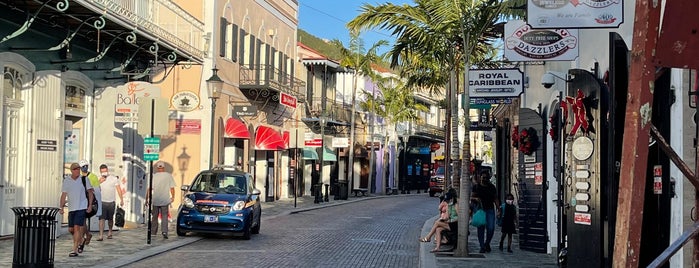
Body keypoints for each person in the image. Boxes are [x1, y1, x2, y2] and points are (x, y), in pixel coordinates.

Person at [58, 163, 95, 257]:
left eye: (79, 169)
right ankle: (81, 240)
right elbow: (63, 195)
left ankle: (74, 249)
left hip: (81, 206)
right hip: (71, 207)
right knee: (71, 229)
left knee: (77, 227)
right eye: (75, 169)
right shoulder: (67, 180)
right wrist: (61, 207)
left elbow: (90, 192)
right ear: (71, 170)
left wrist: (90, 205)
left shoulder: (84, 179)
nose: (77, 170)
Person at [146, 161, 176, 239]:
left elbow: (149, 189)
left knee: (154, 216)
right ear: (163, 167)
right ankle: (164, 231)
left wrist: (147, 198)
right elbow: (172, 188)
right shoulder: (168, 176)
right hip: (165, 199)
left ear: (157, 168)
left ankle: (153, 231)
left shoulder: (154, 176)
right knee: (164, 216)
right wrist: (173, 197)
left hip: (156, 199)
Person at [472, 171, 499, 253]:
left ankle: (487, 243)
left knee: (491, 228)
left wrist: (499, 209)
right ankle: (482, 246)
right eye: (483, 177)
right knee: (481, 228)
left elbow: (495, 199)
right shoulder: (476, 187)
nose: (485, 179)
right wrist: (476, 199)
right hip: (480, 209)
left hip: (490, 209)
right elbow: (471, 197)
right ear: (480, 177)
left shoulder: (492, 187)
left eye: (486, 178)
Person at [97, 164, 124, 241]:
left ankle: (110, 231)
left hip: (111, 202)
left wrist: (121, 199)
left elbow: (118, 189)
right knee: (101, 219)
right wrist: (99, 182)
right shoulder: (99, 179)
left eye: (105, 171)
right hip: (102, 202)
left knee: (110, 219)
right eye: (102, 172)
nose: (104, 173)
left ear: (107, 170)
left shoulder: (113, 178)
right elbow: (94, 188)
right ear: (100, 172)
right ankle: (101, 235)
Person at [79, 159, 101, 249]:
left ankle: (81, 240)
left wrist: (98, 208)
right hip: (80, 202)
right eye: (83, 167)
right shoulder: (79, 177)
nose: (85, 168)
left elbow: (97, 191)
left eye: (86, 166)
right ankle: (86, 236)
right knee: (81, 222)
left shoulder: (93, 177)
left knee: (82, 221)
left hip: (89, 203)